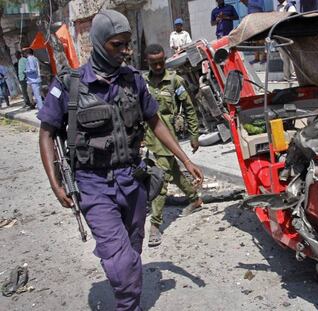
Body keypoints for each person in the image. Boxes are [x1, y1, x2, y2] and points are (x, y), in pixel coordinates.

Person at [38, 10, 203, 311]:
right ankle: (129, 305)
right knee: (121, 261)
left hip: (132, 179)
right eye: (118, 44)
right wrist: (55, 183)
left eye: (127, 43)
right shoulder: (70, 84)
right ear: (100, 43)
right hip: (92, 184)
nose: (126, 50)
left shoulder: (133, 81)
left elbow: (155, 121)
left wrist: (184, 159)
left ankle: (128, 292)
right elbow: (46, 133)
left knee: (132, 248)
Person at [143, 43, 202, 247]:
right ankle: (195, 198)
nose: (158, 67)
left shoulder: (175, 81)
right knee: (173, 171)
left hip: (168, 137)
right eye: (154, 64)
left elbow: (189, 108)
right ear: (148, 63)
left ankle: (155, 225)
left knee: (161, 178)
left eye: (161, 62)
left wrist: (194, 135)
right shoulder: (143, 83)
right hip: (150, 136)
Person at [275, 0, 297, 81]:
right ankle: (286, 76)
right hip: (280, 36)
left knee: (291, 56)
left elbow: (293, 19)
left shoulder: (289, 6)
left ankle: (294, 76)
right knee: (284, 57)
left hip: (288, 35)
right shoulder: (278, 7)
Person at [240, 0, 266, 64]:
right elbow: (248, 6)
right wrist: (244, 2)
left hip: (259, 19)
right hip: (252, 20)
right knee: (256, 41)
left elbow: (260, 6)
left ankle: (264, 57)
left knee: (261, 41)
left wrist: (248, 1)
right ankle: (256, 58)